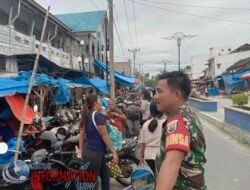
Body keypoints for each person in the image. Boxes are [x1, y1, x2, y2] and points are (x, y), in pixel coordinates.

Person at [155, 71, 207, 190]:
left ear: (177, 95)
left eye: (159, 91)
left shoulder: (179, 121)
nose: (155, 96)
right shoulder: (190, 114)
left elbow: (173, 161)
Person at [78, 93, 119, 190]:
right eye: (100, 101)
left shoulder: (87, 114)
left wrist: (80, 150)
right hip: (95, 154)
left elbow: (81, 134)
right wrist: (114, 152)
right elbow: (104, 135)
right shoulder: (98, 116)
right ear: (95, 103)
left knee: (105, 177)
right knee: (91, 184)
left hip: (94, 153)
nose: (102, 103)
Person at [140, 102, 166, 175]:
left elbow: (142, 143)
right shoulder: (166, 124)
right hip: (160, 155)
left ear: (151, 111)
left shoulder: (145, 124)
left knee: (150, 180)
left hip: (148, 155)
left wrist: (142, 156)